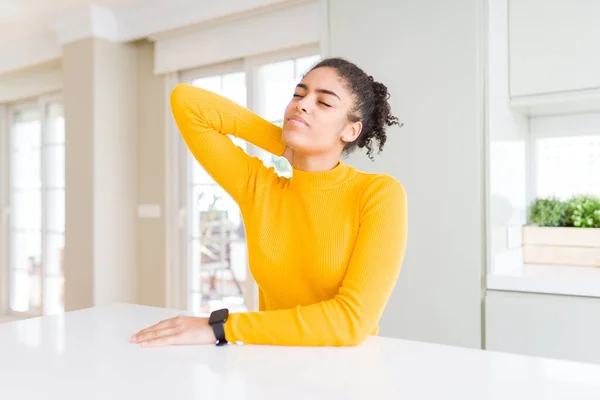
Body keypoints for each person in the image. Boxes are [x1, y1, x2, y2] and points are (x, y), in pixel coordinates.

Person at [131, 57, 408, 347]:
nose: (302, 104)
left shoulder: (378, 194)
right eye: (299, 94)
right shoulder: (259, 189)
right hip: (268, 364)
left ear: (351, 130)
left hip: (345, 375)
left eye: (324, 103)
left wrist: (220, 327)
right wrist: (286, 145)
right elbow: (187, 101)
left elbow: (350, 321)